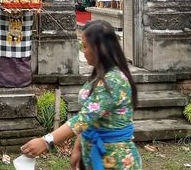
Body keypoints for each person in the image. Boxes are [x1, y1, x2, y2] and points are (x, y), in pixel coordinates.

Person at [21, 20, 141, 169]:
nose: (83, 51)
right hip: (94, 153)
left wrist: (46, 141)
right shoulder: (100, 75)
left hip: (115, 160)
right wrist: (78, 147)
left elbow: (83, 119)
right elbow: (90, 116)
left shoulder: (114, 81)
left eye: (84, 46)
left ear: (98, 49)